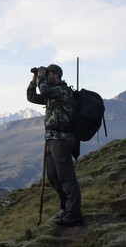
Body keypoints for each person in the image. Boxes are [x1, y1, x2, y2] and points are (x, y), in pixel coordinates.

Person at [27, 63, 84, 227]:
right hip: (51, 139)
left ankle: (74, 214)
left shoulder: (63, 90)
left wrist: (40, 77)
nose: (46, 76)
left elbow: (44, 90)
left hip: (62, 139)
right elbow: (31, 97)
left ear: (56, 75)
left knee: (66, 176)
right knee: (53, 175)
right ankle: (66, 208)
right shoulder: (51, 94)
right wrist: (34, 80)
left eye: (48, 74)